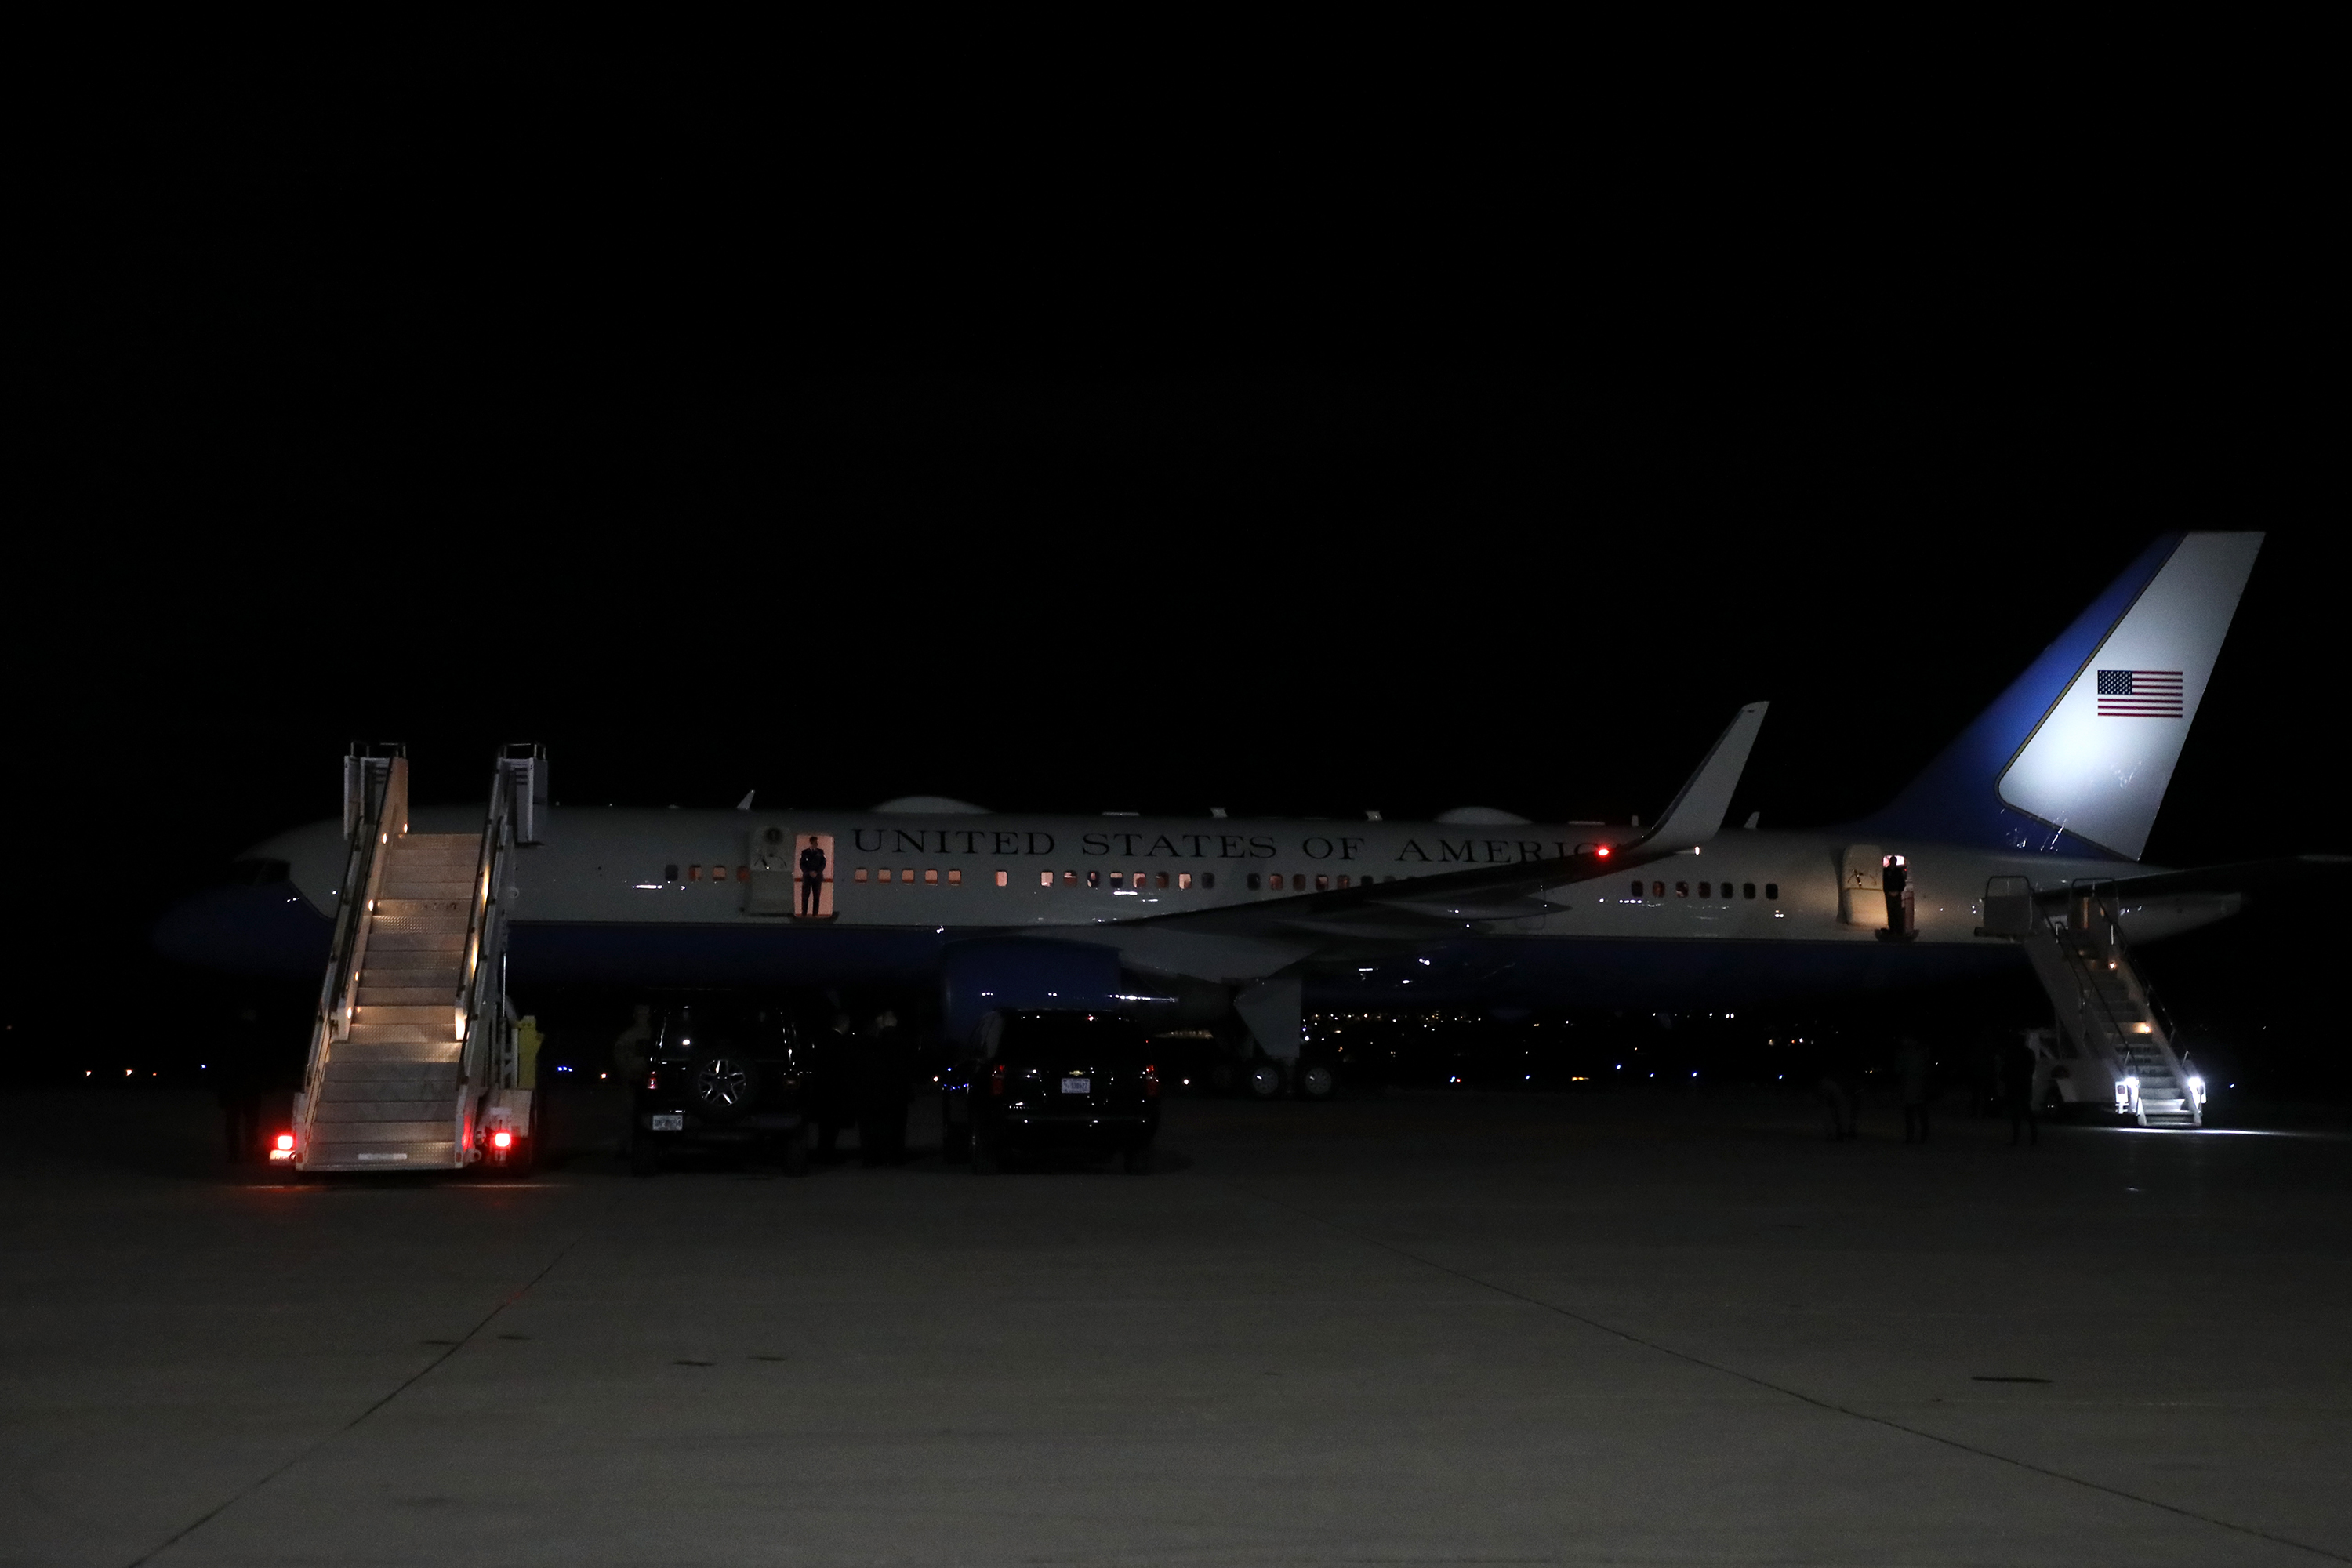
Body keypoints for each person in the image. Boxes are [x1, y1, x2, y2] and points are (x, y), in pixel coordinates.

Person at [214, 1002, 267, 1162]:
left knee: (235, 1121)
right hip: (247, 1085)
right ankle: (247, 1151)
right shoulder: (255, 1037)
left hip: (236, 1085)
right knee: (249, 1121)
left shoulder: (231, 1036)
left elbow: (223, 1063)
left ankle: (235, 1153)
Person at [2002, 1029, 2043, 1146]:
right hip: (2024, 1085)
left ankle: (2016, 1138)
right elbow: (2031, 1069)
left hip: (2014, 1086)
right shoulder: (2028, 1053)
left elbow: (2006, 1069)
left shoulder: (2012, 1053)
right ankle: (2033, 1138)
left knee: (2016, 1113)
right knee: (2027, 1111)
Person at [1896, 1034, 1933, 1144]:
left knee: (1910, 1112)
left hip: (1910, 1085)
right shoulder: (1923, 1051)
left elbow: (1897, 1069)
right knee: (1920, 1111)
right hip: (1919, 1085)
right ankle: (1923, 1135)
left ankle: (1911, 1135)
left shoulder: (1904, 1053)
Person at [799, 836, 827, 917]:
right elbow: (802, 864)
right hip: (807, 877)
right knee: (805, 896)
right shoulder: (805, 852)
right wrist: (808, 872)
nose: (817, 844)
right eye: (816, 842)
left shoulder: (821, 852)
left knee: (817, 896)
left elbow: (823, 864)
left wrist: (817, 872)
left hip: (817, 877)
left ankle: (815, 914)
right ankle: (804, 914)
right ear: (811, 843)